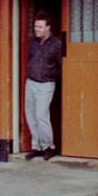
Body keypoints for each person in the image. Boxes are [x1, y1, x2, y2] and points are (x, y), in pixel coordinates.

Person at [24, 10, 63, 160]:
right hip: (31, 82)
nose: (37, 30)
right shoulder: (33, 42)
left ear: (48, 28)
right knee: (31, 115)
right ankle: (37, 146)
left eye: (40, 27)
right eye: (36, 27)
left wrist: (50, 75)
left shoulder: (56, 44)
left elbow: (61, 65)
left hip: (46, 84)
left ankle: (49, 146)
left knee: (41, 115)